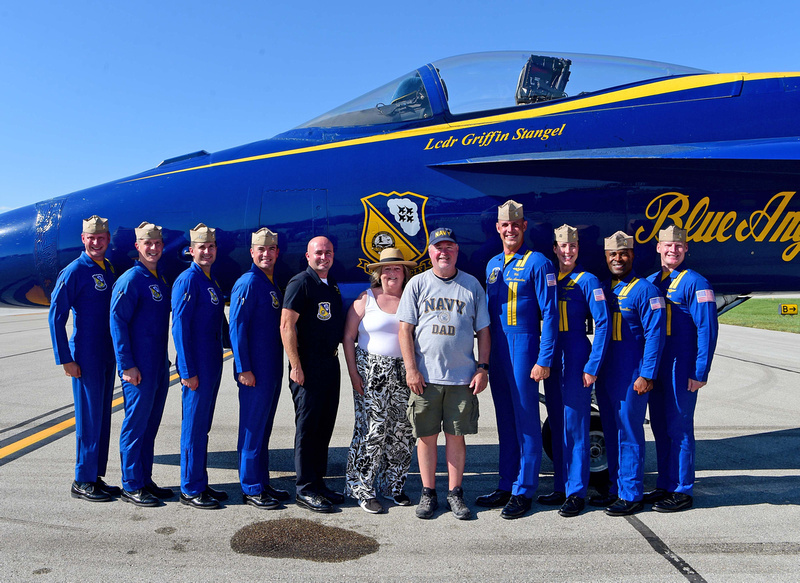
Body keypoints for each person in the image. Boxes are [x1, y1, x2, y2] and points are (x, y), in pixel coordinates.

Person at [398, 227, 491, 521]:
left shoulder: (471, 285)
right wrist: (411, 369)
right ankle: (428, 493)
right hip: (425, 378)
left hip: (462, 378)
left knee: (456, 437)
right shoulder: (417, 284)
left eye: (449, 246)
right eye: (438, 247)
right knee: (426, 437)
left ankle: (455, 493)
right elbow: (405, 330)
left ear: (457, 251)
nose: (443, 252)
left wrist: (482, 368)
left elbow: (484, 331)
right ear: (430, 252)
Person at [478, 200, 558, 520]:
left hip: (524, 345)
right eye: (504, 225)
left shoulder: (538, 263)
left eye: (516, 225)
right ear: (498, 228)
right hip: (498, 349)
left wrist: (544, 357)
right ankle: (506, 483)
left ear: (524, 227)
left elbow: (550, 313)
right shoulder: (493, 265)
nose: (510, 230)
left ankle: (524, 490)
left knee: (526, 421)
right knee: (505, 421)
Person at [644, 225, 718, 512]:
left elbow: (708, 330)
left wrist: (700, 371)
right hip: (657, 365)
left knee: (680, 428)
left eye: (679, 246)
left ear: (686, 249)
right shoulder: (652, 282)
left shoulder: (696, 283)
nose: (672, 250)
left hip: (680, 364)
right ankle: (665, 484)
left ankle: (682, 489)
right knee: (660, 428)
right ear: (658, 247)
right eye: (667, 245)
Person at [592, 231, 666, 517]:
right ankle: (615, 488)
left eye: (623, 254)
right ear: (607, 257)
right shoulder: (604, 288)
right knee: (612, 431)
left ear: (632, 255)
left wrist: (647, 374)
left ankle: (632, 493)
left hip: (632, 371)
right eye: (613, 254)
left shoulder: (645, 289)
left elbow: (655, 334)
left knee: (629, 432)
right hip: (609, 372)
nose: (618, 259)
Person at [49, 215, 120, 502]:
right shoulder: (74, 271)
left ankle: (95, 476)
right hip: (86, 355)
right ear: (83, 239)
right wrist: (65, 358)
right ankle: (82, 479)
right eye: (91, 237)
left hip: (107, 353)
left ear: (107, 240)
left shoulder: (108, 269)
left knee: (102, 417)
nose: (96, 242)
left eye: (101, 238)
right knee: (88, 419)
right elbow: (56, 317)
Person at [343, 248, 417, 514]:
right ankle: (363, 488)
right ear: (378, 273)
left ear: (405, 272)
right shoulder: (366, 299)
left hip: (404, 374)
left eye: (397, 268)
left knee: (402, 432)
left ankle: (393, 485)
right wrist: (353, 374)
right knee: (372, 432)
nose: (391, 273)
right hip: (372, 374)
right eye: (386, 269)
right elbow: (348, 338)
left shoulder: (412, 299)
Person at [543, 224, 610, 518]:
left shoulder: (588, 280)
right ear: (555, 250)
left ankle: (576, 491)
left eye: (572, 247)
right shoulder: (548, 279)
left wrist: (592, 365)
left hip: (576, 353)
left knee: (576, 426)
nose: (567, 251)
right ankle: (561, 485)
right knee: (557, 422)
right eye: (562, 247)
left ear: (577, 249)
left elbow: (603, 324)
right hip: (551, 354)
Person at [110, 221, 173, 507]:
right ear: (138, 246)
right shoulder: (130, 280)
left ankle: (145, 479)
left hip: (158, 366)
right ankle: (131, 484)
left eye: (157, 243)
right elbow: (117, 322)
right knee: (135, 425)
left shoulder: (159, 279)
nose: (153, 248)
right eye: (148, 244)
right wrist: (126, 365)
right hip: (137, 368)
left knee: (150, 424)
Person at [280, 236, 345, 513]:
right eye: (318, 252)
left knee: (324, 428)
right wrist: (296, 366)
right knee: (307, 430)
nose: (323, 257)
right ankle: (305, 489)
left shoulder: (331, 286)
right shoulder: (301, 283)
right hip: (306, 368)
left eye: (328, 252)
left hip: (329, 366)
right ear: (308, 256)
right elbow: (286, 325)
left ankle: (319, 484)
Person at [229, 227, 288, 510]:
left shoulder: (270, 283)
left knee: (263, 428)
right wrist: (243, 368)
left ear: (277, 252)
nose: (266, 254)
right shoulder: (248, 283)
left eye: (271, 250)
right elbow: (237, 328)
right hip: (254, 372)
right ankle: (251, 486)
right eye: (260, 250)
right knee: (252, 428)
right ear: (252, 252)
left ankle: (262, 481)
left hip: (270, 369)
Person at [172, 223, 227, 510]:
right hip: (196, 367)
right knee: (193, 427)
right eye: (201, 247)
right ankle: (190, 488)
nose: (206, 252)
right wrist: (187, 370)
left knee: (202, 426)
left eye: (211, 247)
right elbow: (179, 327)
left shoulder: (210, 280)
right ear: (191, 250)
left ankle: (200, 481)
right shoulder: (188, 280)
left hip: (211, 364)